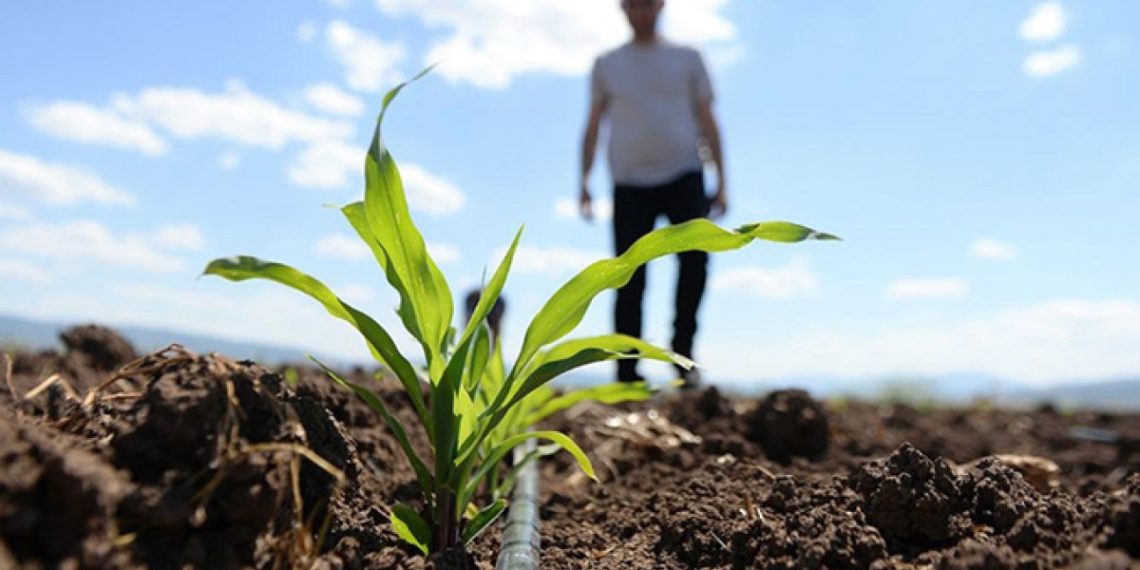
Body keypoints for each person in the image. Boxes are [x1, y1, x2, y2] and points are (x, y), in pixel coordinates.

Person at [579, 0, 727, 387]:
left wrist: (723, 182)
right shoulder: (607, 64)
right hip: (629, 183)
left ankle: (684, 360)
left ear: (660, 5)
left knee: (694, 267)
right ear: (622, 9)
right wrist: (584, 181)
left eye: (647, 4)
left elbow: (709, 120)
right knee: (628, 278)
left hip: (685, 175)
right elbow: (593, 125)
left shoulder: (688, 58)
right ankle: (627, 371)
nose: (641, 12)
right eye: (633, 5)